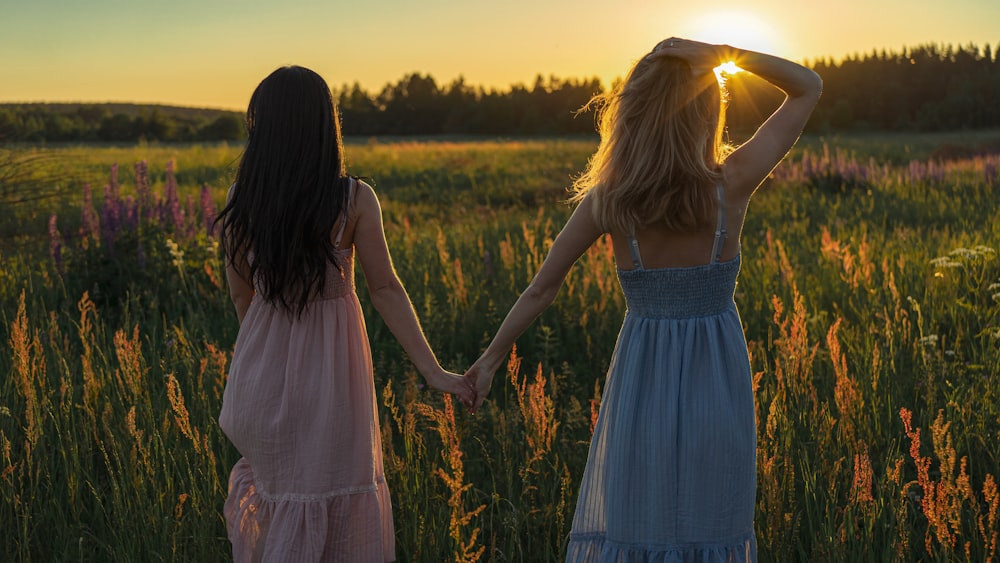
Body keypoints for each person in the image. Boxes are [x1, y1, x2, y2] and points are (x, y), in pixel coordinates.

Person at [465, 38, 822, 561]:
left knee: (642, 524)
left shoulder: (609, 201)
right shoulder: (732, 185)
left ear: (630, 117)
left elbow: (542, 288)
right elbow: (807, 87)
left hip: (640, 384)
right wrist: (723, 53)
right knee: (711, 526)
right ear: (706, 113)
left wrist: (488, 364)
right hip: (718, 384)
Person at [216, 65, 474, 563]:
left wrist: (269, 360)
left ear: (261, 129)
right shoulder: (353, 198)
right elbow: (385, 290)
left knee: (283, 496)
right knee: (332, 493)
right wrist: (434, 371)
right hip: (334, 380)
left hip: (261, 376)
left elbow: (242, 298)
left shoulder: (241, 202)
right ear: (323, 126)